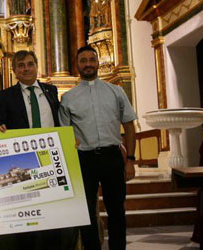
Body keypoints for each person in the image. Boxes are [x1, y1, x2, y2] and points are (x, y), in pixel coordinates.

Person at [0, 50, 77, 250]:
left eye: (30, 64)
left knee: (53, 213)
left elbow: (61, 122)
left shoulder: (51, 91)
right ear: (14, 70)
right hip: (25, 163)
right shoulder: (5, 95)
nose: (26, 68)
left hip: (52, 159)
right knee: (28, 217)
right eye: (21, 65)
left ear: (36, 66)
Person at [59, 45, 136, 250]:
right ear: (77, 65)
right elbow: (65, 134)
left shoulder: (116, 91)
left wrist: (131, 160)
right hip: (84, 160)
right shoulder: (68, 98)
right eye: (83, 61)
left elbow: (129, 124)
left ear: (98, 62)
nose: (88, 64)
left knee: (117, 211)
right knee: (86, 213)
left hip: (112, 156)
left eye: (91, 60)